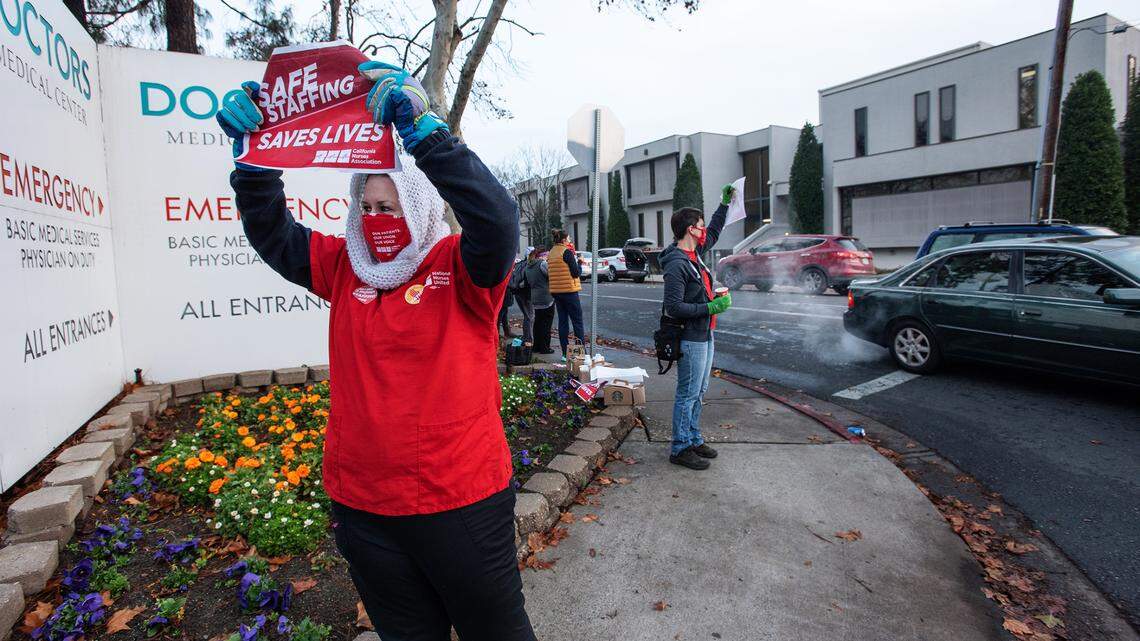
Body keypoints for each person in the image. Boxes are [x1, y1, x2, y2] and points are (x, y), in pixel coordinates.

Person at [216, 61, 535, 641]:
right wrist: (255, 165)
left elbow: (497, 220)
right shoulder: (345, 266)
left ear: (417, 207)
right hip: (365, 512)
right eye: (365, 208)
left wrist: (430, 139)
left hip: (459, 502)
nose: (374, 220)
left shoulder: (460, 266)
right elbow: (275, 235)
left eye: (388, 209)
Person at [659, 185, 734, 470]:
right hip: (691, 337)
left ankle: (693, 438)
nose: (704, 231)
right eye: (699, 226)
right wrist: (711, 307)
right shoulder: (676, 264)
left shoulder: (696, 253)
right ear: (691, 230)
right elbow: (674, 307)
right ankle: (680, 448)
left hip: (705, 332)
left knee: (699, 390)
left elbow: (714, 231)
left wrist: (724, 204)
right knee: (688, 393)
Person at [547, 229, 585, 357]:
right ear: (564, 240)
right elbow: (575, 273)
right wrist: (580, 262)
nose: (570, 240)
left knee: (563, 322)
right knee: (577, 322)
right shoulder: (566, 252)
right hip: (569, 291)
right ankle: (580, 353)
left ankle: (565, 354)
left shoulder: (551, 252)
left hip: (556, 291)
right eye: (569, 238)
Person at [525, 246, 555, 354]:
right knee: (546, 323)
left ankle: (536, 346)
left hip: (535, 297)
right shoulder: (542, 264)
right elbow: (552, 276)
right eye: (547, 255)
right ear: (542, 255)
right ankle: (545, 348)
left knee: (538, 322)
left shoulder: (528, 266)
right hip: (546, 297)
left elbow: (528, 282)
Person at [508, 250, 534, 345]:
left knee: (527, 315)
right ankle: (528, 339)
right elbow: (527, 281)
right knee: (529, 316)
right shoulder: (528, 265)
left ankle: (526, 337)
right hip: (525, 293)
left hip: (517, 292)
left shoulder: (519, 264)